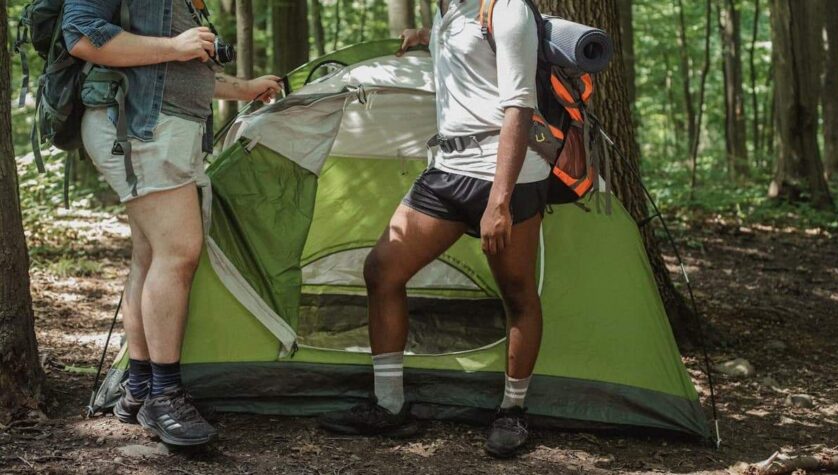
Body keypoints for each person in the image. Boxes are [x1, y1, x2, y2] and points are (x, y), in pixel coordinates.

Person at [319, 0, 548, 459]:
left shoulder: (507, 9)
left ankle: (513, 411)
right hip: (447, 170)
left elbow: (519, 109)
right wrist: (429, 36)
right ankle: (389, 406)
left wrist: (499, 202)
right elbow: (467, 52)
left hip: (505, 175)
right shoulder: (449, 11)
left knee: (517, 293)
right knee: (382, 270)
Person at [63, 0, 282, 446]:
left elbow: (175, 70)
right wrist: (175, 45)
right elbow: (81, 35)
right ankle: (164, 397)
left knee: (150, 257)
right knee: (179, 252)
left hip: (160, 129)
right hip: (141, 129)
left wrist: (244, 88)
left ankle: (140, 386)